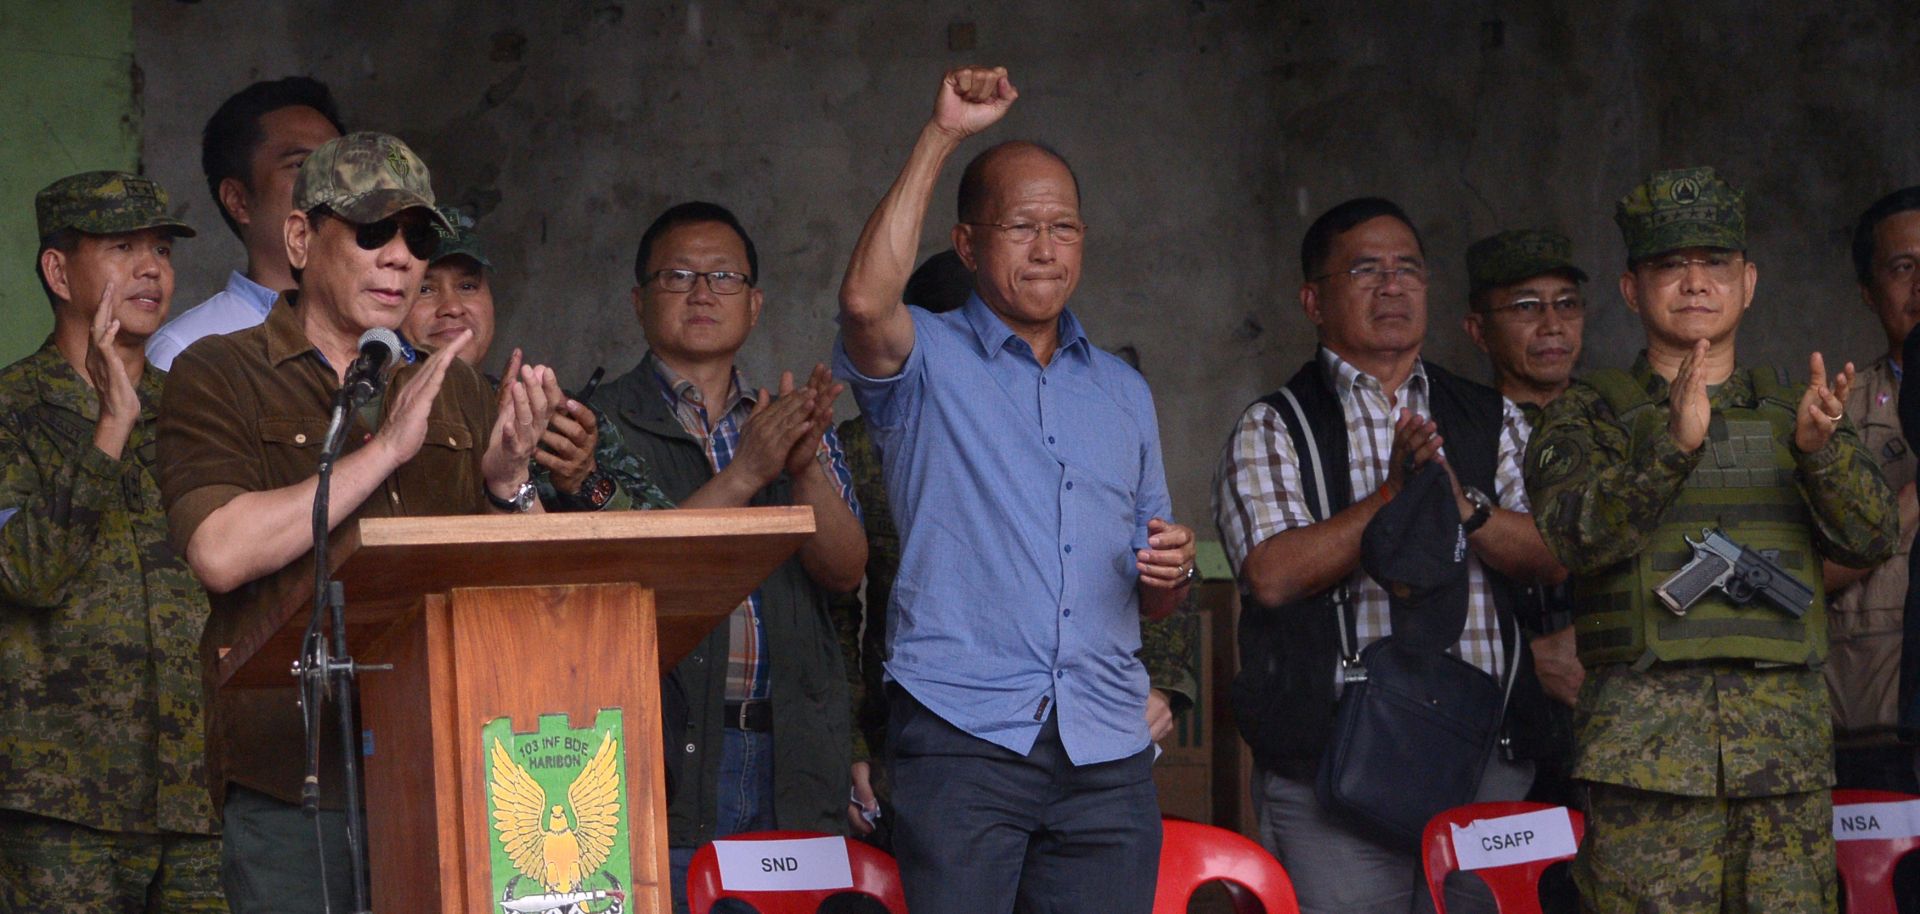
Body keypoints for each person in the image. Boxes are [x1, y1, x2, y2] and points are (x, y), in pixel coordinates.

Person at [157, 132, 562, 913]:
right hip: (296, 784)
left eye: (418, 238)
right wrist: (384, 454)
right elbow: (219, 549)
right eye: (374, 231)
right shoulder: (219, 370)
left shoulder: (457, 390)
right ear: (302, 240)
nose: (402, 259)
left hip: (449, 765)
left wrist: (513, 485)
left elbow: (532, 591)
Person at [835, 66, 1195, 914]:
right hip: (964, 738)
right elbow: (862, 298)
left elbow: (1158, 602)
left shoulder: (1122, 391)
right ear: (966, 246)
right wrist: (942, 135)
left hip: (1106, 752)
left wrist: (1167, 575)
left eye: (1063, 227)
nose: (1045, 248)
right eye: (1021, 226)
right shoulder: (924, 360)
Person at [1526, 166, 1898, 912]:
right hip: (1647, 771)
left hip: (1783, 766)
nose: (1695, 281)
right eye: (1670, 264)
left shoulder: (1803, 410)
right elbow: (1575, 537)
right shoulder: (1587, 414)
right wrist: (1669, 447)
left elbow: (1870, 540)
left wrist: (1821, 454)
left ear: (1749, 282)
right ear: (1632, 290)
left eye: (1715, 264)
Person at [1214, 198, 1563, 914]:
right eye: (1367, 269)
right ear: (1314, 299)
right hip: (1338, 766)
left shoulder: (1492, 416)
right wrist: (1391, 498)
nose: (1393, 286)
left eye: (1408, 269)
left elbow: (1557, 553)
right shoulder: (1275, 424)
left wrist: (1464, 507)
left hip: (1486, 759)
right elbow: (1271, 577)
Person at [833, 251, 1200, 841]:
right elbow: (834, 607)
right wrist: (850, 744)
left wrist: (1161, 684)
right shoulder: (860, 449)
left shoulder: (1097, 406)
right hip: (934, 726)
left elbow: (1146, 559)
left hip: (1090, 736)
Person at [594, 201, 865, 913]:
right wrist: (748, 470)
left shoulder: (787, 415)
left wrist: (802, 466)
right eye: (678, 275)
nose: (703, 292)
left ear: (755, 303)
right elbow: (638, 582)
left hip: (792, 751)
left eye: (724, 277)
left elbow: (845, 574)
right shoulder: (593, 422)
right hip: (671, 755)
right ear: (638, 300)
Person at [0, 172, 221, 911]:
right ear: (59, 271)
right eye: (122, 247)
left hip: (196, 792)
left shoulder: (195, 410)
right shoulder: (11, 410)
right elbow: (27, 571)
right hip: (59, 799)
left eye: (160, 247)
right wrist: (109, 432)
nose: (151, 267)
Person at [402, 206, 672, 513]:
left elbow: (672, 548)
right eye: (425, 288)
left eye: (468, 286)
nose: (452, 307)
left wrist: (585, 477)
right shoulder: (368, 412)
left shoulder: (552, 421)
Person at [147, 77, 345, 369]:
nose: (331, 184)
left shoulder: (385, 337)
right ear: (238, 200)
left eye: (339, 166)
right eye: (301, 165)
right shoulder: (186, 352)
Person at [1827, 189, 1920, 804]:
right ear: (1869, 291)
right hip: (1875, 726)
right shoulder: (1836, 414)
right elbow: (1811, 570)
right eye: (1904, 267)